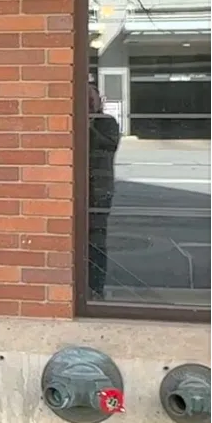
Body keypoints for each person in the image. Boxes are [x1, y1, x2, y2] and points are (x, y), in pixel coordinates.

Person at [87, 85, 120, 299]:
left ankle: (96, 288)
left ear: (100, 101)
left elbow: (107, 146)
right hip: (79, 190)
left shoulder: (107, 123)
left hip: (99, 192)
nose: (89, 102)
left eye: (92, 98)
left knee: (96, 242)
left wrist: (87, 124)